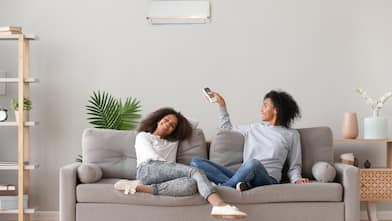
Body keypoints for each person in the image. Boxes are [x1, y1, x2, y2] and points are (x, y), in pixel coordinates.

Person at [114, 107, 247, 219]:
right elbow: (152, 157)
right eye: (165, 120)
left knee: (191, 185)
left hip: (164, 176)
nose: (167, 125)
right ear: (158, 119)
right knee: (194, 171)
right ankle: (219, 205)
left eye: (172, 125)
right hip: (148, 169)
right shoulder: (143, 136)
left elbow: (193, 123)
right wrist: (177, 169)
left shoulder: (172, 142)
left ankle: (139, 188)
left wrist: (178, 119)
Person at [191, 90, 310, 192]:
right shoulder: (253, 128)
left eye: (265, 105)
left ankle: (225, 188)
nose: (261, 109)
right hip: (245, 173)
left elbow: (294, 165)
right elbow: (226, 128)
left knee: (253, 163)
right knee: (196, 162)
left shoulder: (291, 134)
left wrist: (296, 179)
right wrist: (222, 105)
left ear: (276, 110)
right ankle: (239, 185)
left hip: (267, 179)